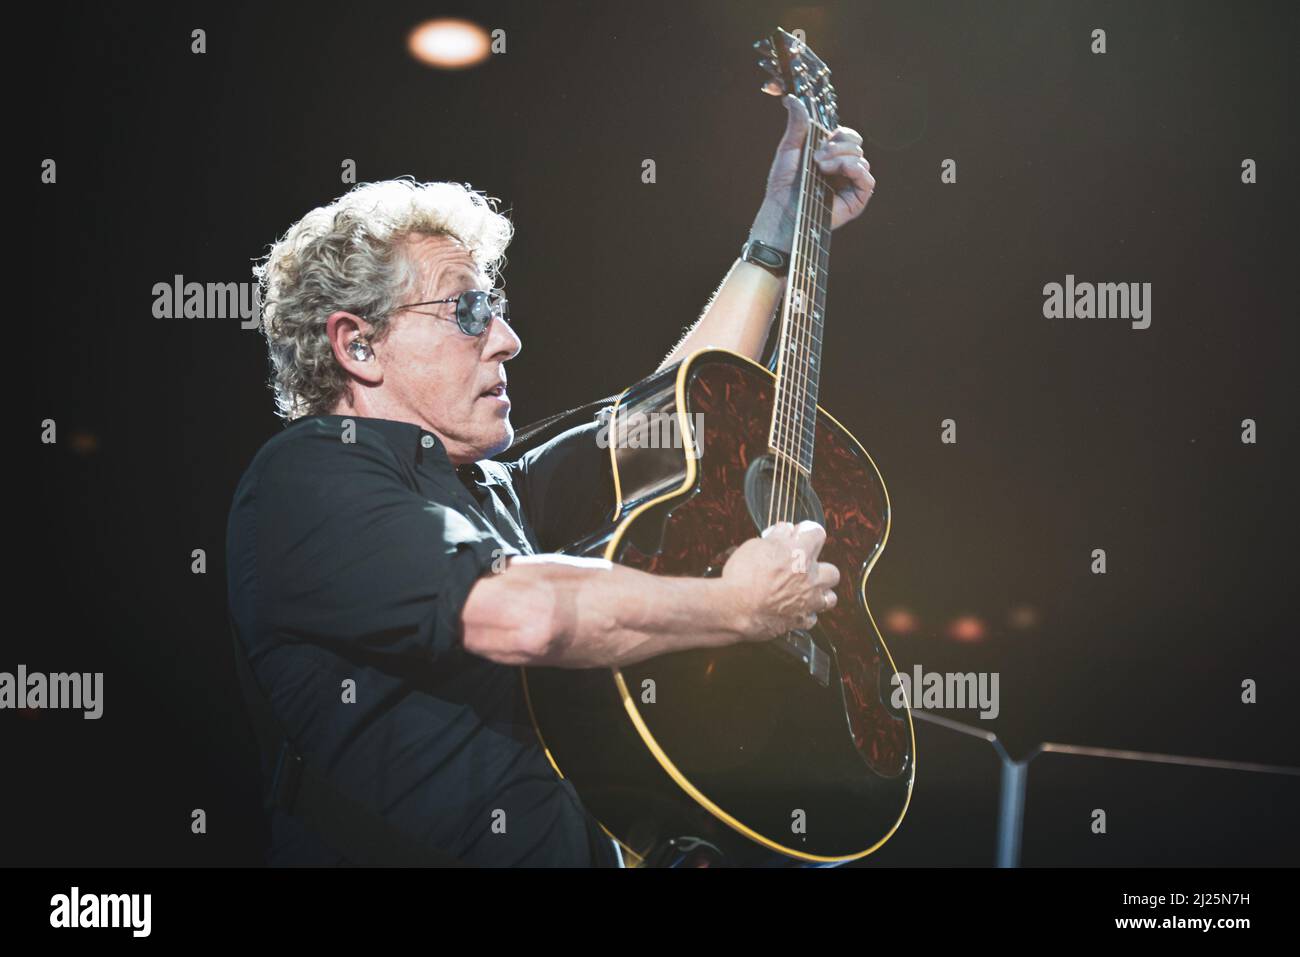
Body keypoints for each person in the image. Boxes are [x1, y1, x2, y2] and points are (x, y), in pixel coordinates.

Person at [226, 96, 875, 866]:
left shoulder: (492, 491)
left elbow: (673, 417)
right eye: (468, 310)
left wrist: (777, 237)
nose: (508, 338)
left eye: (496, 307)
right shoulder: (307, 478)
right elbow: (524, 611)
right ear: (359, 344)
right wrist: (738, 606)